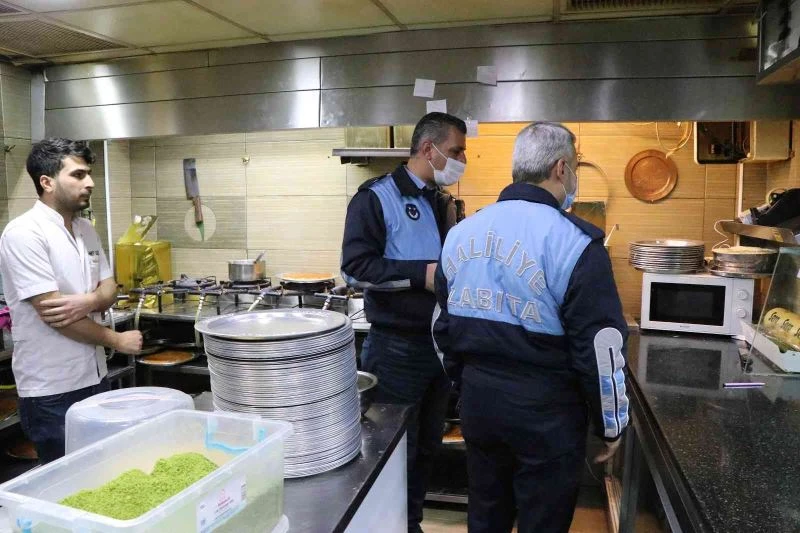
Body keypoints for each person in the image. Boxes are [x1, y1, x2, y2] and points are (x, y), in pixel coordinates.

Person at [432, 122, 629, 533]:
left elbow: (442, 326)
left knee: (486, 513)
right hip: (547, 412)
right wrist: (611, 424)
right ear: (561, 169)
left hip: (480, 403)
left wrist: (466, 384)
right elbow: (601, 347)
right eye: (574, 167)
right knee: (543, 521)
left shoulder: (460, 234)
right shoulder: (575, 243)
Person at [341, 112, 467, 532]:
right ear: (428, 149)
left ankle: (410, 525)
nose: (460, 160)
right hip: (396, 352)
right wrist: (421, 274)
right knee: (391, 452)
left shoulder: (443, 202)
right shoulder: (376, 198)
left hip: (437, 348)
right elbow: (355, 268)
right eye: (455, 151)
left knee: (426, 450)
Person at [0, 138, 143, 464]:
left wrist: (89, 300)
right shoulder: (24, 233)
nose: (90, 182)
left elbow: (110, 287)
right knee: (66, 481)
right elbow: (55, 314)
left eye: (88, 174)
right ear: (47, 182)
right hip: (52, 387)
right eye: (78, 175)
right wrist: (116, 339)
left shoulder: (85, 231)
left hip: (94, 375)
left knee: (102, 469)